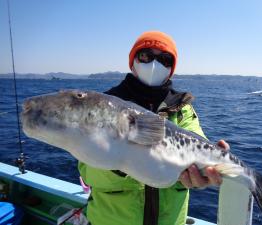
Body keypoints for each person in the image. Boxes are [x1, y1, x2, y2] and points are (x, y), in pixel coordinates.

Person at [78, 31, 229, 225]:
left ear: (171, 68)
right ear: (132, 62)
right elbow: (87, 172)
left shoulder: (182, 109)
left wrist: (204, 170)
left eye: (165, 59)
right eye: (146, 56)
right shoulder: (103, 106)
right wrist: (118, 163)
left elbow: (197, 143)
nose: (154, 64)